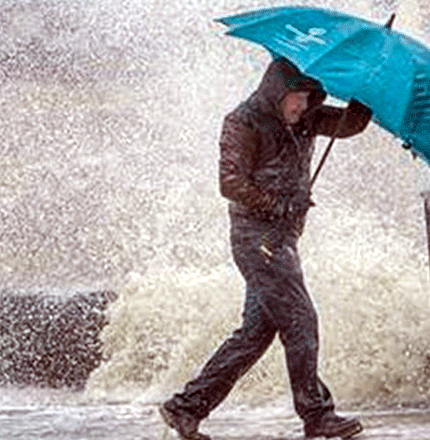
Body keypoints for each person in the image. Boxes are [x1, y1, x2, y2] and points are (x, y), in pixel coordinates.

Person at [159, 57, 372, 440]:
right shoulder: (243, 122)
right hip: (256, 239)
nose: (302, 107)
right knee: (301, 320)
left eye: (309, 99)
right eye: (297, 98)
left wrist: (366, 92)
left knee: (255, 334)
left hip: (283, 239)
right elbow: (230, 183)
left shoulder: (306, 117)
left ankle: (186, 408)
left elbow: (350, 125)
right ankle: (317, 415)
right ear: (277, 92)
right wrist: (279, 205)